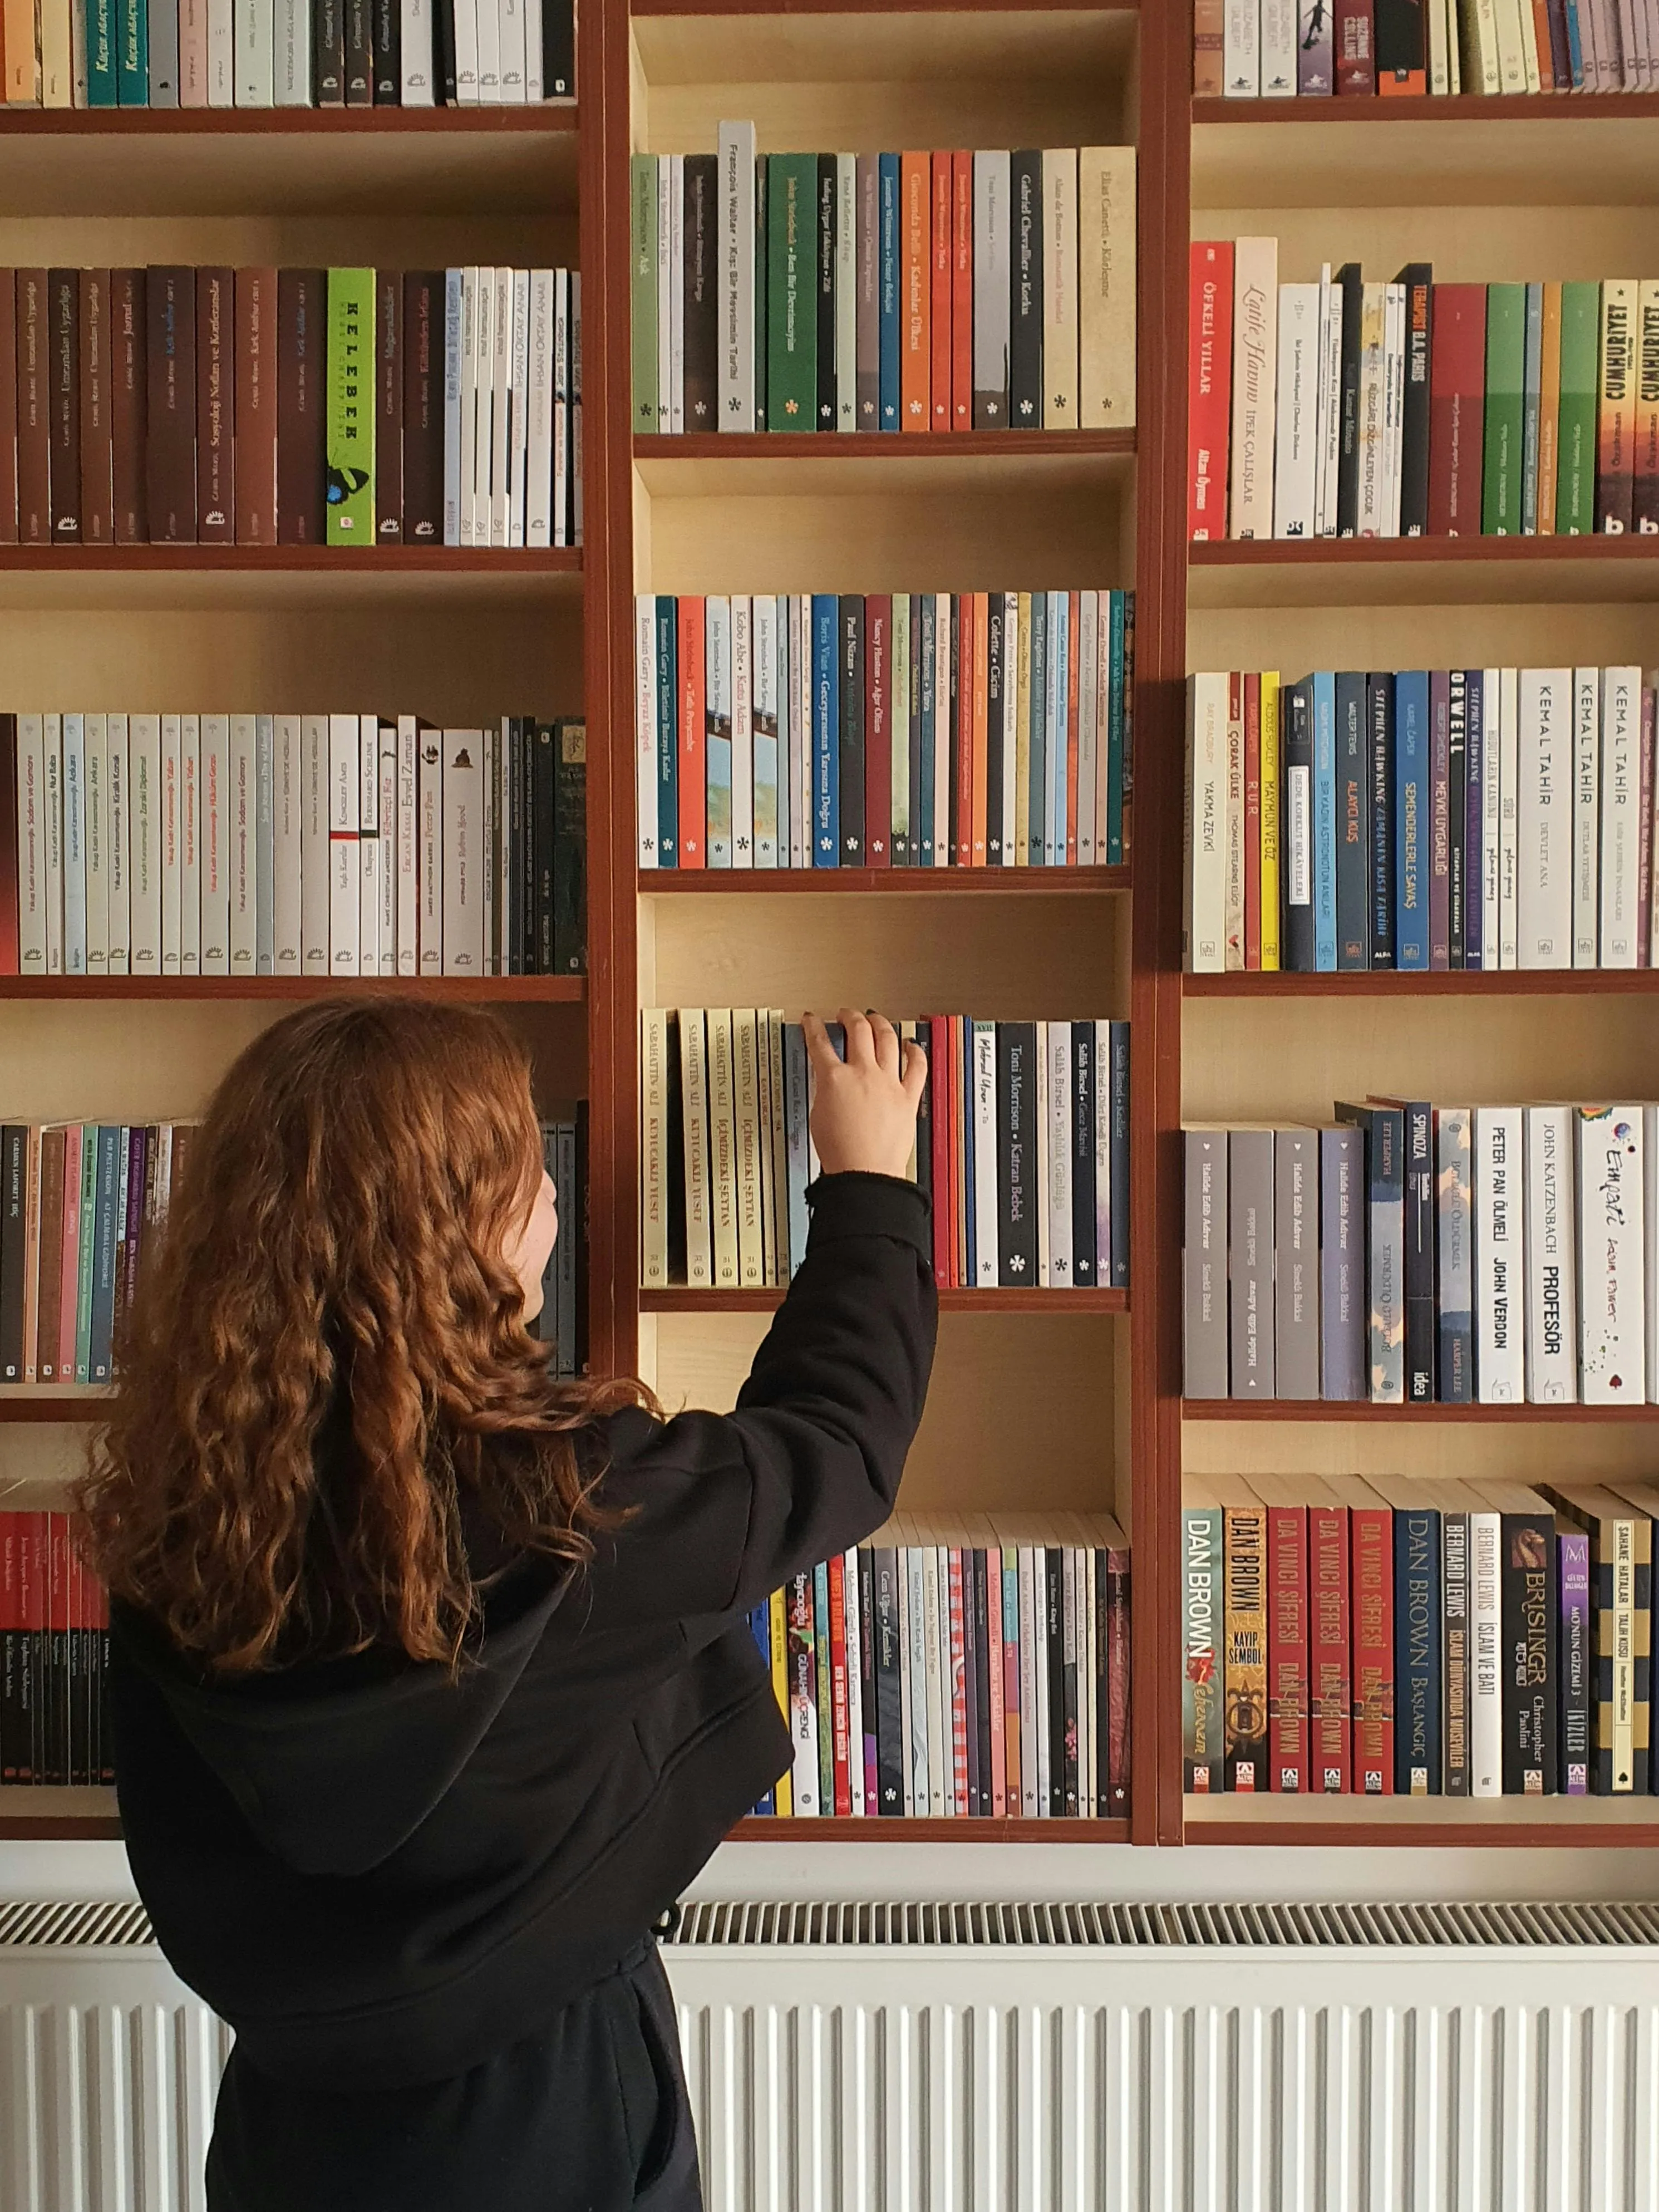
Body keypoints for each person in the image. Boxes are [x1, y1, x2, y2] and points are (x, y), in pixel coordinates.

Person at [75, 996, 935, 2212]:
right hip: (553, 2109)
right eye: (527, 1175)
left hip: (295, 2133)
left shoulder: (189, 1510)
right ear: (461, 1238)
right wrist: (870, 1185)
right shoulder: (562, 1511)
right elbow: (835, 1446)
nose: (548, 1207)